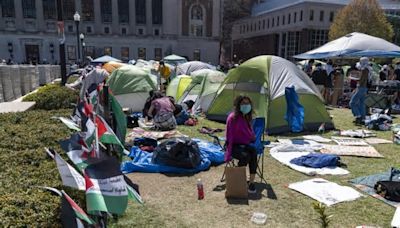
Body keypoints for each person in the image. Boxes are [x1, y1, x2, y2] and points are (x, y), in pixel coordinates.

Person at [225, 95, 257, 194]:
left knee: (253, 152)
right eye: (243, 103)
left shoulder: (246, 117)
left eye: (248, 103)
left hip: (243, 144)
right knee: (246, 156)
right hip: (233, 145)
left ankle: (251, 182)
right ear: (238, 105)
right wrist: (228, 153)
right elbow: (229, 137)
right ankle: (238, 180)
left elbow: (249, 135)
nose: (246, 105)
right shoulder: (232, 118)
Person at [349, 57, 370, 124]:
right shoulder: (367, 69)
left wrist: (354, 79)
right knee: (361, 104)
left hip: (361, 87)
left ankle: (358, 116)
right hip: (364, 88)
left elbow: (361, 80)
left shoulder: (364, 70)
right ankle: (362, 118)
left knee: (352, 103)